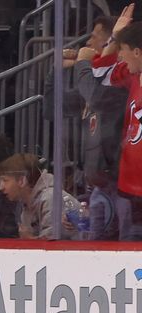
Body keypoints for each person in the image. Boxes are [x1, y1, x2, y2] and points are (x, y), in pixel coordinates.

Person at [42, 15, 125, 240]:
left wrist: (82, 64)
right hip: (96, 188)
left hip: (120, 188)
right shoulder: (88, 87)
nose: (87, 43)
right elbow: (52, 108)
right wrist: (56, 70)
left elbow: (96, 97)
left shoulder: (120, 83)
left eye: (94, 37)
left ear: (111, 44)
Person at [97, 5, 142, 240]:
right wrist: (115, 37)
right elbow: (101, 75)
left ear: (137, 51)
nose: (120, 55)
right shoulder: (134, 74)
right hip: (131, 192)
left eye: (123, 49)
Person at [0, 153, 79, 240]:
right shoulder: (27, 204)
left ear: (21, 181)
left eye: (5, 180)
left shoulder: (50, 199)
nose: (0, 187)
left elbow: (52, 247)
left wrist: (28, 239)